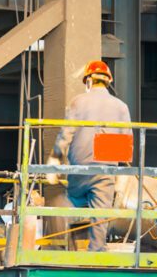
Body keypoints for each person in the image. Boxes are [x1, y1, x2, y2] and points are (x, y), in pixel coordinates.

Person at [47, 60, 131, 252]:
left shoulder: (78, 102)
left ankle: (59, 249)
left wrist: (55, 157)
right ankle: (96, 251)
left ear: (89, 81)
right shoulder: (121, 107)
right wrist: (121, 174)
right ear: (107, 81)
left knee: (65, 203)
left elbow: (66, 134)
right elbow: (126, 140)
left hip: (80, 169)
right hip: (105, 168)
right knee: (100, 214)